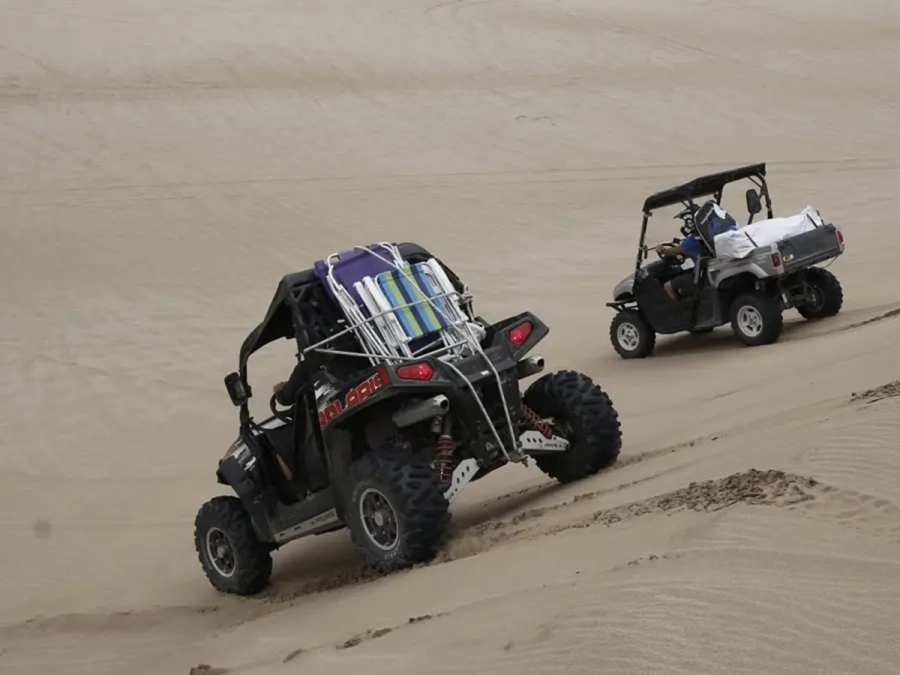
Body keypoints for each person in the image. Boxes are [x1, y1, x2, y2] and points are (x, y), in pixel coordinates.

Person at [656, 202, 738, 301]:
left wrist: (662, 250)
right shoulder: (708, 234)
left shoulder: (693, 239)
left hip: (701, 278)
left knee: (667, 286)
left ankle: (680, 313)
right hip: (709, 271)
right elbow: (687, 253)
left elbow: (674, 251)